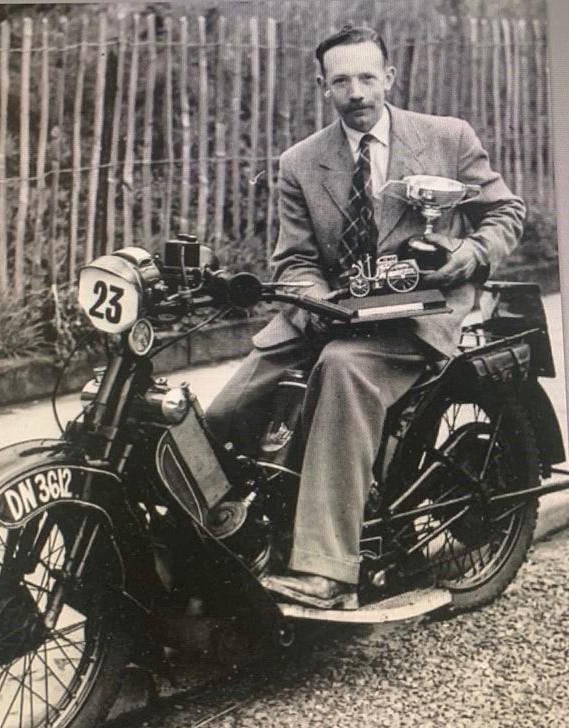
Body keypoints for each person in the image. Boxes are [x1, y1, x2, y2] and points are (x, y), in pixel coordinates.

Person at [206, 25, 526, 609]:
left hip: (416, 312)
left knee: (343, 373)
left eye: (367, 77)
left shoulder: (446, 137)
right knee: (227, 410)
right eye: (341, 80)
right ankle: (230, 548)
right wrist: (315, 299)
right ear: (322, 86)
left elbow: (505, 211)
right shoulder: (300, 162)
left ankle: (325, 569)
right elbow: (296, 259)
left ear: (390, 78)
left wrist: (468, 256)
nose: (356, 92)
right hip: (326, 313)